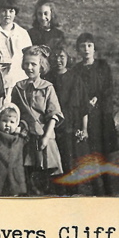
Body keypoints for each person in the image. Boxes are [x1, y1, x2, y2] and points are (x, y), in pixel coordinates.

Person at [11, 45, 63, 195]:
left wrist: (46, 137)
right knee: (27, 175)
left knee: (45, 177)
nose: (29, 67)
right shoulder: (18, 88)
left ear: (41, 66)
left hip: (44, 137)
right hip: (25, 137)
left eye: (33, 64)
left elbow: (54, 114)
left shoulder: (48, 88)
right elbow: (15, 112)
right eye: (26, 63)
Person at [73, 32, 119, 195]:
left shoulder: (102, 66)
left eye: (89, 45)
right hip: (86, 116)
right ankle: (95, 188)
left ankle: (108, 188)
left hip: (102, 115)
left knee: (105, 152)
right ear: (78, 49)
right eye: (82, 46)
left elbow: (108, 88)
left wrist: (96, 98)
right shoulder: (76, 69)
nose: (86, 49)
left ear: (94, 48)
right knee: (90, 152)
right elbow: (76, 91)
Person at [47, 42, 89, 179]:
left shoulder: (76, 79)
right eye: (55, 57)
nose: (58, 60)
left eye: (61, 56)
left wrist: (84, 128)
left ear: (68, 57)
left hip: (70, 127)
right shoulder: (47, 78)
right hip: (52, 127)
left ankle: (72, 193)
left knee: (70, 163)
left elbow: (83, 107)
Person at [0, 0, 31, 102]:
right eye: (4, 11)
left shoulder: (23, 33)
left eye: (11, 11)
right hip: (0, 82)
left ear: (15, 13)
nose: (7, 14)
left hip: (19, 80)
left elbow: (29, 56)